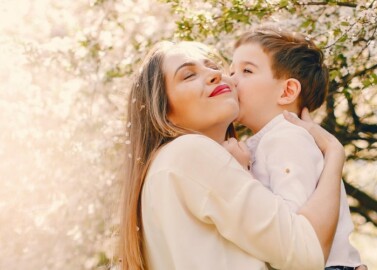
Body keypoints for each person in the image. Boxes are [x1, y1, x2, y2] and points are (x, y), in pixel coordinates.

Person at [119, 41, 346, 270]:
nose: (215, 75)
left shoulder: (168, 167)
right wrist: (334, 154)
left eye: (215, 67)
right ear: (163, 110)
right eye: (188, 75)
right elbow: (306, 253)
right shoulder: (191, 152)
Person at [228, 26, 366, 270]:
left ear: (287, 91)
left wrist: (243, 171)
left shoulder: (286, 138)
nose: (230, 79)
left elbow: (291, 227)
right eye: (231, 71)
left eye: (246, 71)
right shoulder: (268, 140)